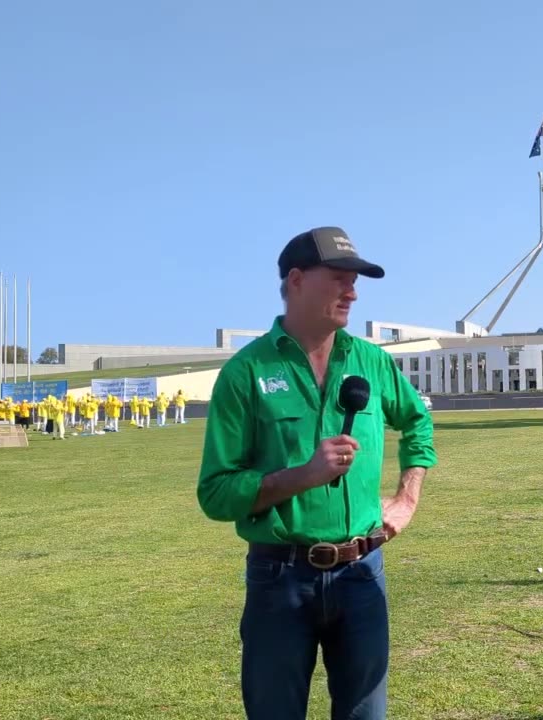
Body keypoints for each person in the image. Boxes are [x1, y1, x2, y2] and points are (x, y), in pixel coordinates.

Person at [197, 226, 436, 720]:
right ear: (297, 280)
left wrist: (407, 497)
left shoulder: (370, 362)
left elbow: (417, 421)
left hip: (362, 572)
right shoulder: (246, 372)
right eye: (341, 279)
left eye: (356, 281)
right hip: (278, 578)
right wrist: (299, 476)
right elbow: (216, 493)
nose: (352, 291)